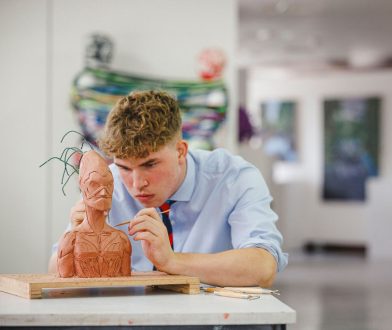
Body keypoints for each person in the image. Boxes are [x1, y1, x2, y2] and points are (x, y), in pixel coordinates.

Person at [49, 90, 287, 287]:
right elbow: (53, 269)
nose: (136, 183)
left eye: (150, 164)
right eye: (124, 167)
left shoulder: (234, 178)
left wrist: (172, 261)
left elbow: (263, 267)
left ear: (181, 151)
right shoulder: (107, 184)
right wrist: (75, 238)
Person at [56, 150, 131, 277]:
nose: (103, 192)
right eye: (94, 184)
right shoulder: (71, 239)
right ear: (82, 185)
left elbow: (126, 281)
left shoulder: (121, 239)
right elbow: (63, 278)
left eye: (108, 184)